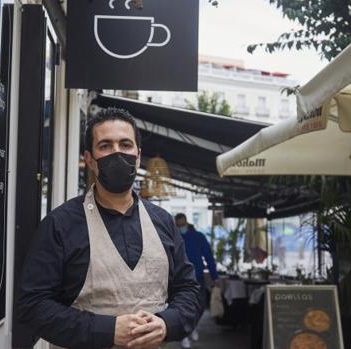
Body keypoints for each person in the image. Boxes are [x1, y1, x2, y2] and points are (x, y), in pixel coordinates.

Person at [17, 107, 201, 349]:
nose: (117, 153)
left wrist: (167, 324)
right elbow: (34, 305)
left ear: (137, 155)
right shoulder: (60, 224)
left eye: (125, 145)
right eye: (105, 146)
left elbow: (188, 289)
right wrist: (107, 330)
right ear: (89, 159)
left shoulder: (163, 222)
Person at [174, 213, 218, 349]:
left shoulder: (198, 237)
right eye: (178, 225)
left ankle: (192, 327)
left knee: (201, 304)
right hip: (179, 278)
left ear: (187, 222)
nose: (181, 227)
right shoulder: (174, 237)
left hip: (197, 276)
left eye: (182, 225)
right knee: (182, 307)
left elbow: (208, 256)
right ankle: (185, 334)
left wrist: (214, 276)